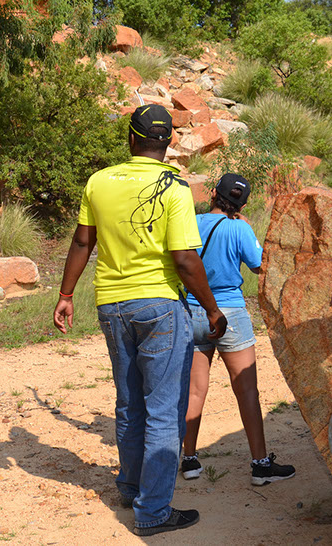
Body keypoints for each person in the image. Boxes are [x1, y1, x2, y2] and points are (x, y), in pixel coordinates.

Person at [53, 104, 227, 537]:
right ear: (167, 144)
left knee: (130, 403)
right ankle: (153, 511)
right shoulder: (175, 188)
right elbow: (184, 259)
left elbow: (82, 242)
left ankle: (131, 488)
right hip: (160, 306)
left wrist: (66, 294)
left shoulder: (99, 181)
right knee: (164, 411)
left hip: (112, 306)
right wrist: (211, 308)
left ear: (131, 138)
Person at [180, 173, 296, 486]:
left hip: (193, 310)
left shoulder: (191, 222)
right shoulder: (240, 228)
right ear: (242, 205)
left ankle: (189, 460)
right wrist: (246, 227)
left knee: (194, 390)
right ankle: (260, 465)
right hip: (229, 311)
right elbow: (258, 265)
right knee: (246, 390)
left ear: (213, 193)